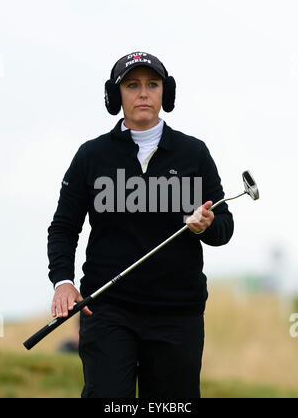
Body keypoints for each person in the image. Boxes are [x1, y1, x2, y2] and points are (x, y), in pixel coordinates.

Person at [48, 51, 234, 398]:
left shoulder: (194, 153)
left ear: (167, 93)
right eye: (132, 85)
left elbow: (223, 226)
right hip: (107, 309)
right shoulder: (91, 156)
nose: (143, 93)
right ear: (115, 95)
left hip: (178, 313)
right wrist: (63, 281)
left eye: (153, 84)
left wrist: (205, 225)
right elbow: (63, 227)